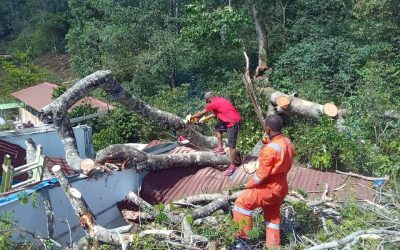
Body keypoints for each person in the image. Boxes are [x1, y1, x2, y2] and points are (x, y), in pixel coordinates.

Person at [231, 114, 295, 249]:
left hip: (270, 187)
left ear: (268, 129)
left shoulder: (270, 150)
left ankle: (242, 243)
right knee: (272, 216)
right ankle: (273, 245)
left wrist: (248, 185)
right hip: (282, 187)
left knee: (241, 203)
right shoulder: (287, 142)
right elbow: (280, 152)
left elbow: (261, 175)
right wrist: (269, 143)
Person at [191, 91, 241, 176]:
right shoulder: (220, 100)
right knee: (218, 128)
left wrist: (190, 117)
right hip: (227, 120)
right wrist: (205, 119)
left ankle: (232, 166)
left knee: (231, 146)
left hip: (233, 122)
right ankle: (220, 148)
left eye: (207, 101)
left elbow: (200, 113)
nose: (207, 102)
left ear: (210, 97)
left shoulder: (214, 103)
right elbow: (215, 114)